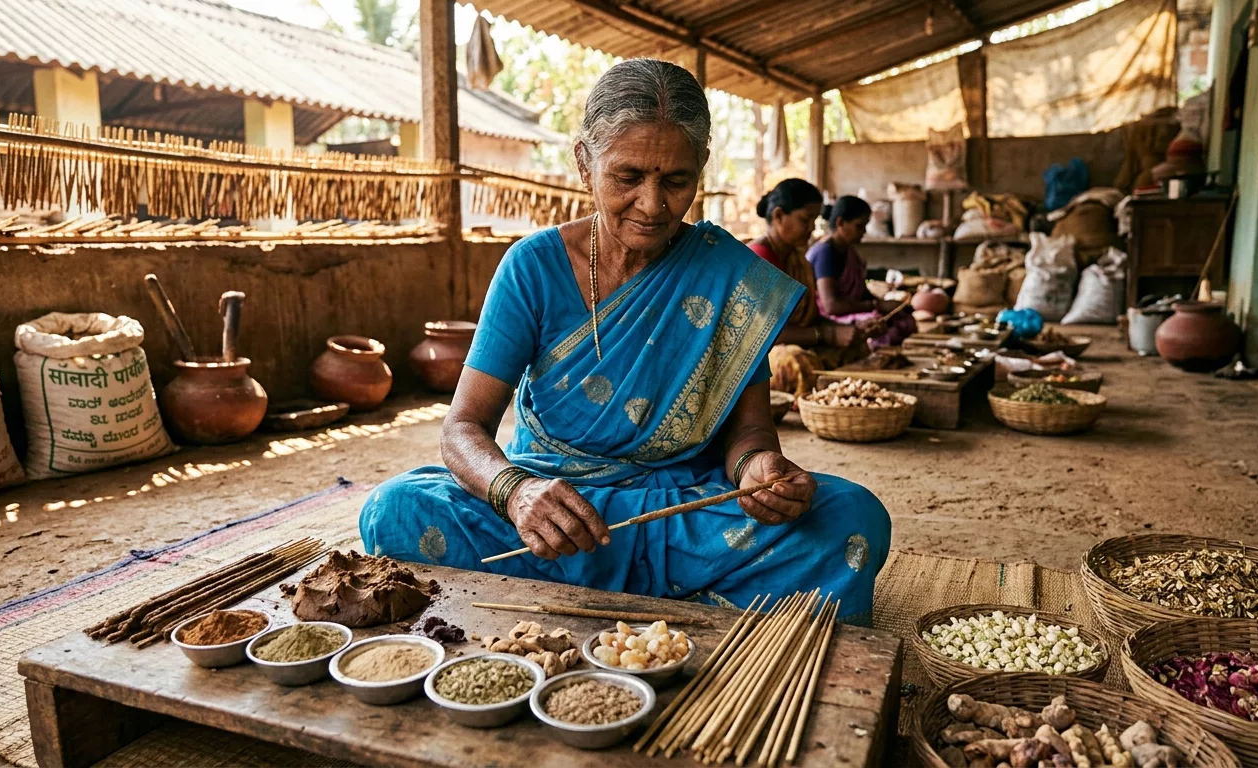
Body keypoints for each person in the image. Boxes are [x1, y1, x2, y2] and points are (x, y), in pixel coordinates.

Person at [359, 59, 890, 624]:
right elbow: (462, 429)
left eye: (676, 181)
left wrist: (758, 469)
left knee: (852, 516)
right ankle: (690, 604)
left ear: (701, 168)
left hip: (682, 511)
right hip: (559, 510)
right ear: (584, 163)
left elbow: (751, 432)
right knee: (396, 508)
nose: (653, 205)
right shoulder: (532, 267)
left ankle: (598, 600)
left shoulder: (728, 275)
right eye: (628, 176)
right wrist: (516, 493)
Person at [747, 179, 870, 398]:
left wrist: (847, 329)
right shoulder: (759, 259)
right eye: (805, 220)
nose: (812, 228)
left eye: (814, 220)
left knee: (857, 347)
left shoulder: (798, 259)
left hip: (798, 341)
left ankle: (842, 399)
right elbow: (761, 334)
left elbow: (810, 318)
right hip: (758, 353)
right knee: (796, 361)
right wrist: (827, 335)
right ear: (778, 216)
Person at [807, 196, 917, 348]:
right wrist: (877, 305)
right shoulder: (824, 253)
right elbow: (831, 306)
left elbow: (861, 293)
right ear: (840, 223)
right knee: (877, 324)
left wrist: (887, 304)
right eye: (859, 226)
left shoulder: (850, 252)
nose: (864, 232)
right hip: (827, 319)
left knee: (904, 319)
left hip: (848, 311)